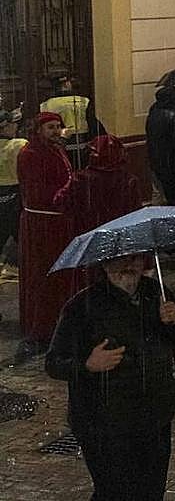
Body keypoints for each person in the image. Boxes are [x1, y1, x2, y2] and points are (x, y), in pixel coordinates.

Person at [46, 252, 175, 501]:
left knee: (150, 492)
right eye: (120, 260)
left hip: (154, 417)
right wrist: (88, 364)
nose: (129, 265)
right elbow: (53, 363)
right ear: (104, 264)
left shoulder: (156, 293)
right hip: (104, 424)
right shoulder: (83, 306)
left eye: (135, 259)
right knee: (114, 493)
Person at [16, 112, 75, 351]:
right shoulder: (29, 154)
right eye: (50, 127)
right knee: (43, 275)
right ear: (39, 129)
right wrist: (67, 191)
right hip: (41, 224)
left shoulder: (57, 149)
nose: (55, 131)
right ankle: (41, 326)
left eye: (57, 127)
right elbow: (37, 192)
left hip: (59, 222)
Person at [55, 135, 141, 247]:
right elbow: (135, 213)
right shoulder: (129, 180)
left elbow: (60, 201)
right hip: (120, 238)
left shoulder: (81, 179)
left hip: (87, 238)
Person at [41, 74, 98, 169]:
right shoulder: (84, 100)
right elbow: (93, 123)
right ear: (67, 84)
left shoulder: (47, 104)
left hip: (60, 144)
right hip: (83, 143)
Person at [0, 108, 26, 277]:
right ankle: (22, 265)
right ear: (4, 127)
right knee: (20, 232)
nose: (15, 127)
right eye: (12, 124)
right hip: (16, 192)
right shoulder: (19, 144)